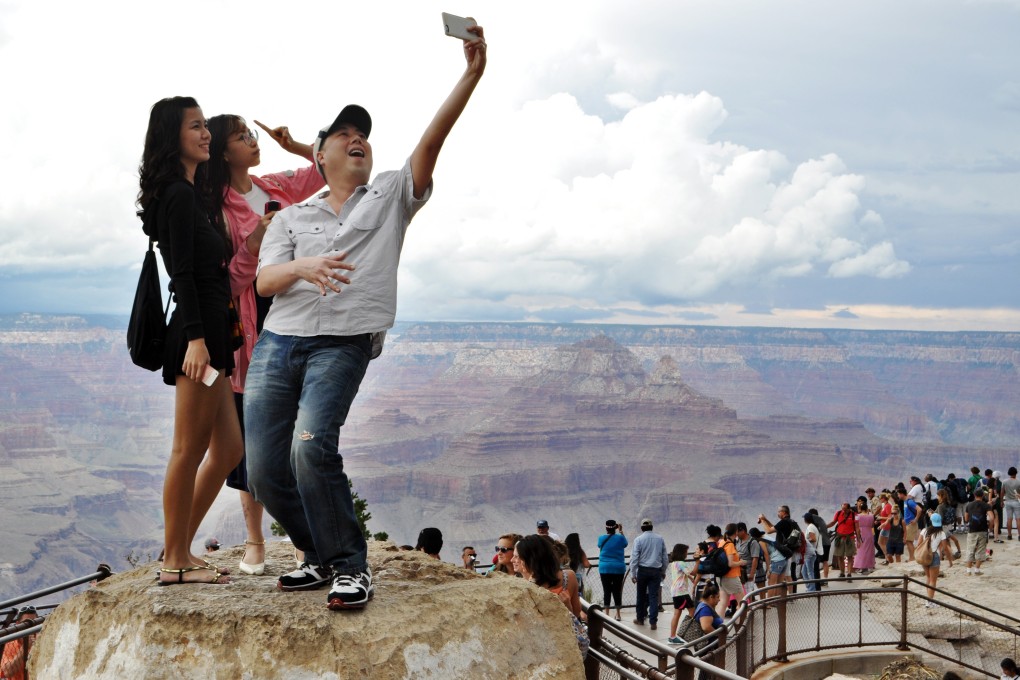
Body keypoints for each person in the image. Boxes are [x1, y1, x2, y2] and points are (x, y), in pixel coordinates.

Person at [244, 24, 487, 611]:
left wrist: (471, 74)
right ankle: (316, 554)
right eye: (345, 135)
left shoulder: (389, 197)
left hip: (342, 344)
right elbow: (263, 281)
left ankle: (351, 566)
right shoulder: (292, 217)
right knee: (262, 468)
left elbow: (431, 142)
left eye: (365, 137)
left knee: (310, 447)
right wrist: (304, 267)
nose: (359, 141)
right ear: (320, 154)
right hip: (279, 341)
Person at [205, 113, 325, 576]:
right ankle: (254, 540)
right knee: (250, 445)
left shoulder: (272, 186)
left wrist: (293, 144)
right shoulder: (216, 205)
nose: (253, 142)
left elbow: (322, 168)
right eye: (242, 137)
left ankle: (302, 538)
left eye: (251, 134)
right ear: (222, 150)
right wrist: (255, 241)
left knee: (293, 440)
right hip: (246, 337)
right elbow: (226, 281)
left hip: (290, 321)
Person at [138, 96, 242, 586]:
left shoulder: (189, 192)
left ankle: (179, 548)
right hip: (197, 335)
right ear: (171, 135)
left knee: (228, 449)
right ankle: (175, 560)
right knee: (188, 449)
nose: (206, 134)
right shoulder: (179, 197)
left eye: (207, 126)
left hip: (214, 333)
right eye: (196, 127)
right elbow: (183, 272)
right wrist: (198, 342)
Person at [512, 535, 587, 659]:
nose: (512, 560)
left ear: (528, 559)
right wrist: (566, 606)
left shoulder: (525, 589)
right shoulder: (569, 576)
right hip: (568, 648)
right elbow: (576, 613)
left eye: (516, 556)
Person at [630, 518, 668, 630]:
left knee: (641, 596)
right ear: (652, 527)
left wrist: (633, 573)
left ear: (642, 528)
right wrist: (663, 571)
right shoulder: (660, 539)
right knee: (653, 596)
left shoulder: (638, 540)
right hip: (656, 571)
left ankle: (640, 619)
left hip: (642, 571)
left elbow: (634, 558)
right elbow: (665, 557)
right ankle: (653, 622)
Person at [917, 512, 952, 607]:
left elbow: (919, 544)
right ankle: (929, 601)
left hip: (924, 555)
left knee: (928, 578)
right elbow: (945, 548)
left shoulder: (924, 530)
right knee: (933, 580)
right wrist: (950, 560)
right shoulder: (941, 533)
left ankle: (928, 599)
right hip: (934, 556)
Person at [665, 544, 696, 644]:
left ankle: (673, 636)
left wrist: (691, 579)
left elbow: (683, 575)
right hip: (681, 591)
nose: (687, 554)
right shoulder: (682, 563)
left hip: (676, 591)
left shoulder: (674, 563)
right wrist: (698, 562)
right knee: (692, 611)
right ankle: (684, 631)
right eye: (686, 552)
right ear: (682, 553)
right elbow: (691, 572)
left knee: (677, 614)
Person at [597, 519, 627, 621]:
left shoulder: (601, 538)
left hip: (605, 568)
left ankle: (607, 614)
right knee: (617, 590)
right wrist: (621, 531)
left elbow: (599, 546)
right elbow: (625, 544)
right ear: (616, 528)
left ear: (606, 528)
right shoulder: (620, 538)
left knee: (607, 590)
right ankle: (618, 614)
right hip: (618, 568)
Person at [0, 606, 37, 680]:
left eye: (34, 622)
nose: (31, 626)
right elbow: (7, 672)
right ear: (18, 624)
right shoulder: (9, 644)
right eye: (26, 623)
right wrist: (25, 647)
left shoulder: (42, 640)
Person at [964, 488, 994, 575]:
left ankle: (968, 571)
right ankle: (977, 570)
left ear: (974, 495)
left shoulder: (969, 505)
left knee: (970, 549)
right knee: (981, 550)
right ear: (983, 495)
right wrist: (990, 527)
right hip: (982, 530)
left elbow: (966, 519)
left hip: (972, 530)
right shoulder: (986, 505)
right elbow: (992, 518)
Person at [827, 502, 858, 578]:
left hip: (850, 538)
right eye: (842, 509)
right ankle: (842, 573)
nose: (843, 510)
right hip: (840, 537)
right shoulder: (838, 513)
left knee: (849, 556)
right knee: (839, 556)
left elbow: (857, 528)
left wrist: (859, 539)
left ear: (849, 509)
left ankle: (849, 574)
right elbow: (833, 522)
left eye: (845, 509)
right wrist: (824, 526)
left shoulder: (854, 515)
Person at [735, 522, 762, 598]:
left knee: (748, 593)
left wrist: (752, 573)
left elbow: (755, 559)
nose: (736, 534)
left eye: (737, 532)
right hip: (739, 572)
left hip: (748, 572)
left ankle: (749, 608)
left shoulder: (753, 542)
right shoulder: (738, 541)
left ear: (742, 531)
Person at [853, 497, 875, 574]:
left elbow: (857, 528)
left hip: (862, 534)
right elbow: (872, 525)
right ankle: (869, 566)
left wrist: (858, 538)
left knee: (860, 551)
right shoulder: (871, 516)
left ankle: (861, 567)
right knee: (869, 550)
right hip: (869, 533)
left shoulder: (857, 516)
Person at [801, 514, 821, 592]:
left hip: (809, 553)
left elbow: (814, 539)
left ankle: (812, 589)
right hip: (809, 553)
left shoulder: (810, 527)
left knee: (810, 572)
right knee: (804, 571)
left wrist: (804, 542)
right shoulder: (812, 526)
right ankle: (810, 587)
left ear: (806, 520)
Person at [1003, 467, 1020, 541]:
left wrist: (1001, 501)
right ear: (1016, 473)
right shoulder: (1019, 482)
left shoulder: (1004, 481)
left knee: (1009, 519)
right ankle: (1019, 535)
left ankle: (1009, 535)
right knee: (1018, 519)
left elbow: (1002, 492)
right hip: (1016, 502)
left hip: (1008, 502)